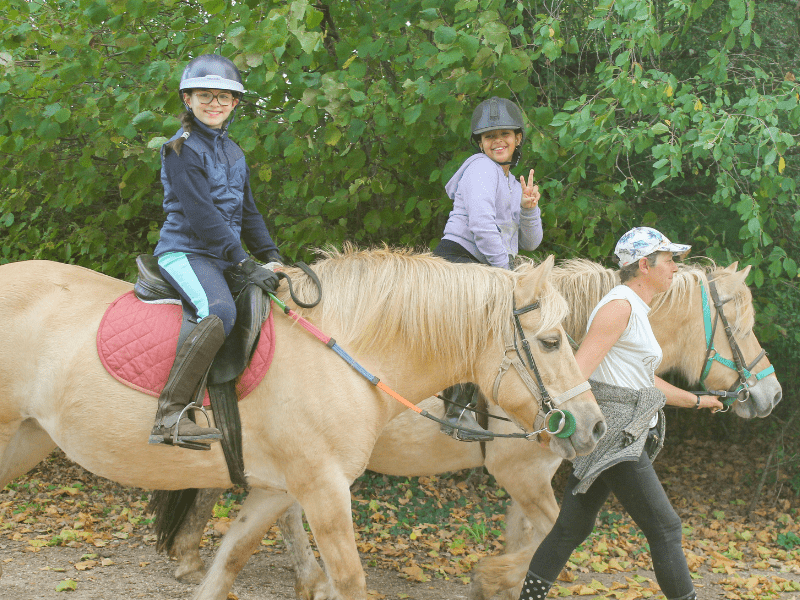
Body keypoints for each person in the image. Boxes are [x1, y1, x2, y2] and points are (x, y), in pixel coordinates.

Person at [518, 227, 724, 600]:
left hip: (621, 433)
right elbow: (577, 374)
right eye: (669, 259)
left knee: (570, 529)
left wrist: (697, 400)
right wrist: (554, 420)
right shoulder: (619, 307)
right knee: (666, 528)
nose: (676, 267)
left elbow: (644, 381)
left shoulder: (636, 309)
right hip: (615, 437)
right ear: (644, 265)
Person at [148, 54, 282, 450]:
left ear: (235, 103)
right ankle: (170, 415)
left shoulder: (234, 152)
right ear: (187, 99)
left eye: (223, 97)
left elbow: (249, 211)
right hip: (185, 252)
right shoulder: (179, 149)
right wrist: (243, 261)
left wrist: (272, 256)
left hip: (223, 255)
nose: (215, 104)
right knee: (219, 311)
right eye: (204, 95)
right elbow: (202, 216)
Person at [432, 96, 543, 441]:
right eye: (489, 136)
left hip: (486, 266)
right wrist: (505, 272)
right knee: (478, 327)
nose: (498, 141)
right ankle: (456, 411)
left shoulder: (511, 183)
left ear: (518, 138)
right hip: (460, 259)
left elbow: (531, 242)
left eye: (505, 134)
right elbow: (481, 226)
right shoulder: (481, 168)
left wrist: (528, 208)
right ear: (480, 142)